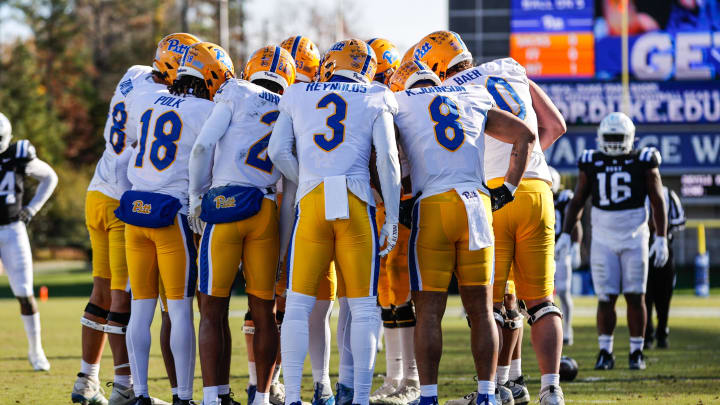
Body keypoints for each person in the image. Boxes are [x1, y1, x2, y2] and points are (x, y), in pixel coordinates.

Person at [420, 31, 567, 404]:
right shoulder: (511, 69)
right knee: (542, 301)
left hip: (491, 195)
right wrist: (523, 165)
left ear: (437, 66)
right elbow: (553, 127)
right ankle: (551, 389)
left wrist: (500, 171)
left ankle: (497, 387)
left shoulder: (449, 90)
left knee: (493, 306)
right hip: (536, 187)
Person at [388, 58, 536, 405]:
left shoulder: (401, 103)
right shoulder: (471, 95)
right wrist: (509, 189)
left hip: (435, 205)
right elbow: (526, 135)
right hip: (477, 205)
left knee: (428, 311)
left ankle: (428, 397)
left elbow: (386, 158)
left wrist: (396, 203)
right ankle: (488, 394)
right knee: (483, 309)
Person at [268, 39, 401, 405]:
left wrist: (310, 175)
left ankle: (294, 396)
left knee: (296, 305)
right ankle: (358, 399)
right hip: (356, 201)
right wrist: (391, 213)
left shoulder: (298, 94)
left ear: (331, 63)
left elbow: (277, 150)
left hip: (312, 203)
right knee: (363, 307)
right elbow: (388, 159)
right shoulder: (376, 95)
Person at [73, 32, 199, 405]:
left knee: (101, 291)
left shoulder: (135, 74)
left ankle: (86, 380)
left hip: (97, 190)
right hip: (123, 201)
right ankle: (125, 386)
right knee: (121, 298)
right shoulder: (161, 98)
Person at [117, 41, 233, 405]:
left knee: (141, 309)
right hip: (172, 215)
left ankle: (139, 393)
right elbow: (210, 163)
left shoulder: (148, 100)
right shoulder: (208, 110)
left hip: (135, 211)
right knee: (180, 310)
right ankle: (182, 396)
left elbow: (131, 154)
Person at [187, 45, 296, 405]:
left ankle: (210, 398)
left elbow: (203, 147)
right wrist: (281, 248)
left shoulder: (236, 90)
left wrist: (195, 196)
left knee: (211, 308)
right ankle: (262, 397)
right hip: (264, 207)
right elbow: (290, 193)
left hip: (224, 205)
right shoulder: (290, 105)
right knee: (265, 312)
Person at [557, 112, 669, 371]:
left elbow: (657, 199)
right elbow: (578, 199)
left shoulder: (644, 160)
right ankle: (605, 352)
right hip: (603, 239)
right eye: (611, 138)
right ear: (600, 138)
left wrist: (661, 236)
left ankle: (636, 352)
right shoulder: (591, 161)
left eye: (619, 138)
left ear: (631, 138)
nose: (615, 143)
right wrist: (566, 232)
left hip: (634, 236)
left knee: (635, 295)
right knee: (606, 297)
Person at [276, 35, 338, 405]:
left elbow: (276, 151)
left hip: (285, 203)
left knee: (280, 302)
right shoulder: (321, 93)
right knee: (322, 303)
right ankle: (324, 384)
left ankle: (270, 382)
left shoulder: (280, 94)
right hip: (325, 201)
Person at [365, 38, 420, 405]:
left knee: (402, 287)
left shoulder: (401, 102)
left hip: (405, 201)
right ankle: (395, 375)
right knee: (386, 290)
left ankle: (411, 378)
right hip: (387, 202)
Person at [0, 111, 57, 372]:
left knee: (25, 293)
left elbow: (50, 177)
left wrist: (32, 209)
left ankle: (36, 351)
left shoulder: (17, 154)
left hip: (13, 229)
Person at [644, 186, 685, 349]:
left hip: (664, 247)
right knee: (643, 295)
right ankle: (646, 335)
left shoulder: (669, 194)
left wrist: (662, 225)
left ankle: (662, 333)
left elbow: (681, 219)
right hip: (641, 247)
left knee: (664, 295)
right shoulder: (638, 190)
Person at [548, 166, 582, 347]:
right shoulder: (539, 197)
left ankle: (567, 329)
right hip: (543, 249)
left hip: (560, 250)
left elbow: (575, 222)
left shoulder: (563, 199)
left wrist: (576, 246)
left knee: (563, 291)